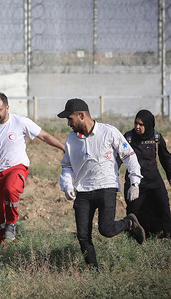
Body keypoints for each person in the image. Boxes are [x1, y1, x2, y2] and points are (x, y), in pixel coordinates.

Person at [58, 98, 145, 270]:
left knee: (106, 229)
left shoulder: (109, 132)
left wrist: (135, 181)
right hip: (83, 191)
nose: (68, 123)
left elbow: (128, 155)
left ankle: (129, 223)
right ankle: (94, 270)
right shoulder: (71, 140)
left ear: (81, 115)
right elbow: (67, 166)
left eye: (70, 119)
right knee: (83, 235)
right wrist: (67, 185)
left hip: (106, 187)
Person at [0, 92, 65, 243]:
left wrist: (63, 147)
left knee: (11, 190)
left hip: (16, 168)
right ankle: (1, 247)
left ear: (7, 107)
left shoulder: (20, 122)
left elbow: (43, 136)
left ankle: (11, 223)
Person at [122, 109, 171, 238]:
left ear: (149, 125)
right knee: (135, 212)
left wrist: (170, 177)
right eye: (136, 123)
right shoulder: (128, 138)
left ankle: (167, 237)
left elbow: (165, 159)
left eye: (141, 124)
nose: (137, 127)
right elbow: (117, 159)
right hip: (135, 182)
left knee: (164, 208)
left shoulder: (156, 137)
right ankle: (135, 239)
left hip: (154, 180)